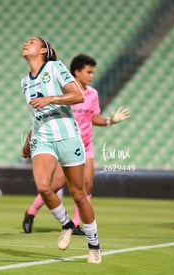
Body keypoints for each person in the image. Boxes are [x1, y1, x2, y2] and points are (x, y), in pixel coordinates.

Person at [22, 54, 130, 235]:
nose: (91, 76)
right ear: (77, 72)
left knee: (86, 185)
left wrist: (111, 121)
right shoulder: (64, 91)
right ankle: (31, 212)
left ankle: (75, 223)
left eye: (92, 72)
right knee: (55, 185)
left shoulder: (93, 94)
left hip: (86, 145)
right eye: (88, 72)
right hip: (65, 142)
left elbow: (94, 118)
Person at [21, 37, 101, 264]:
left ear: (43, 50)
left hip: (67, 136)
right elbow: (35, 116)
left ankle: (94, 245)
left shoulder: (55, 67)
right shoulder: (24, 82)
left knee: (79, 195)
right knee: (44, 187)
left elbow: (78, 95)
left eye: (32, 42)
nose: (26, 43)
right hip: (43, 139)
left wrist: (51, 99)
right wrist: (28, 141)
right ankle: (66, 224)